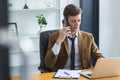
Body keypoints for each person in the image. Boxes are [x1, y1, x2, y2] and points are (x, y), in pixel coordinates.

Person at [44, 4, 104, 72]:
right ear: (66, 21)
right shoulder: (54, 37)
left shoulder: (88, 37)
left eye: (79, 20)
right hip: (62, 75)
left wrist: (101, 60)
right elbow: (48, 64)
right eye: (73, 21)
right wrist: (59, 41)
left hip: (82, 74)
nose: (77, 24)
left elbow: (98, 55)